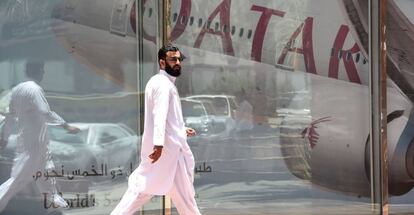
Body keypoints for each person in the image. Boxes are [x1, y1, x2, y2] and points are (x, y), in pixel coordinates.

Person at [111, 45, 201, 215]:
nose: (177, 63)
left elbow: (166, 119)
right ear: (162, 62)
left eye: (179, 59)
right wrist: (158, 146)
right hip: (165, 152)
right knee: (141, 191)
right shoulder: (163, 86)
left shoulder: (160, 82)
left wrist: (182, 129)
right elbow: (159, 116)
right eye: (173, 59)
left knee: (184, 200)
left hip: (171, 152)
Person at [0, 61, 80, 212]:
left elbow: (10, 116)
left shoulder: (17, 90)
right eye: (42, 71)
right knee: (18, 179)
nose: (43, 74)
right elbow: (45, 112)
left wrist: (4, 137)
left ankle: (54, 205)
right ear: (38, 71)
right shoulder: (34, 89)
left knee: (46, 174)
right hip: (35, 143)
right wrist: (66, 126)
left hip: (29, 140)